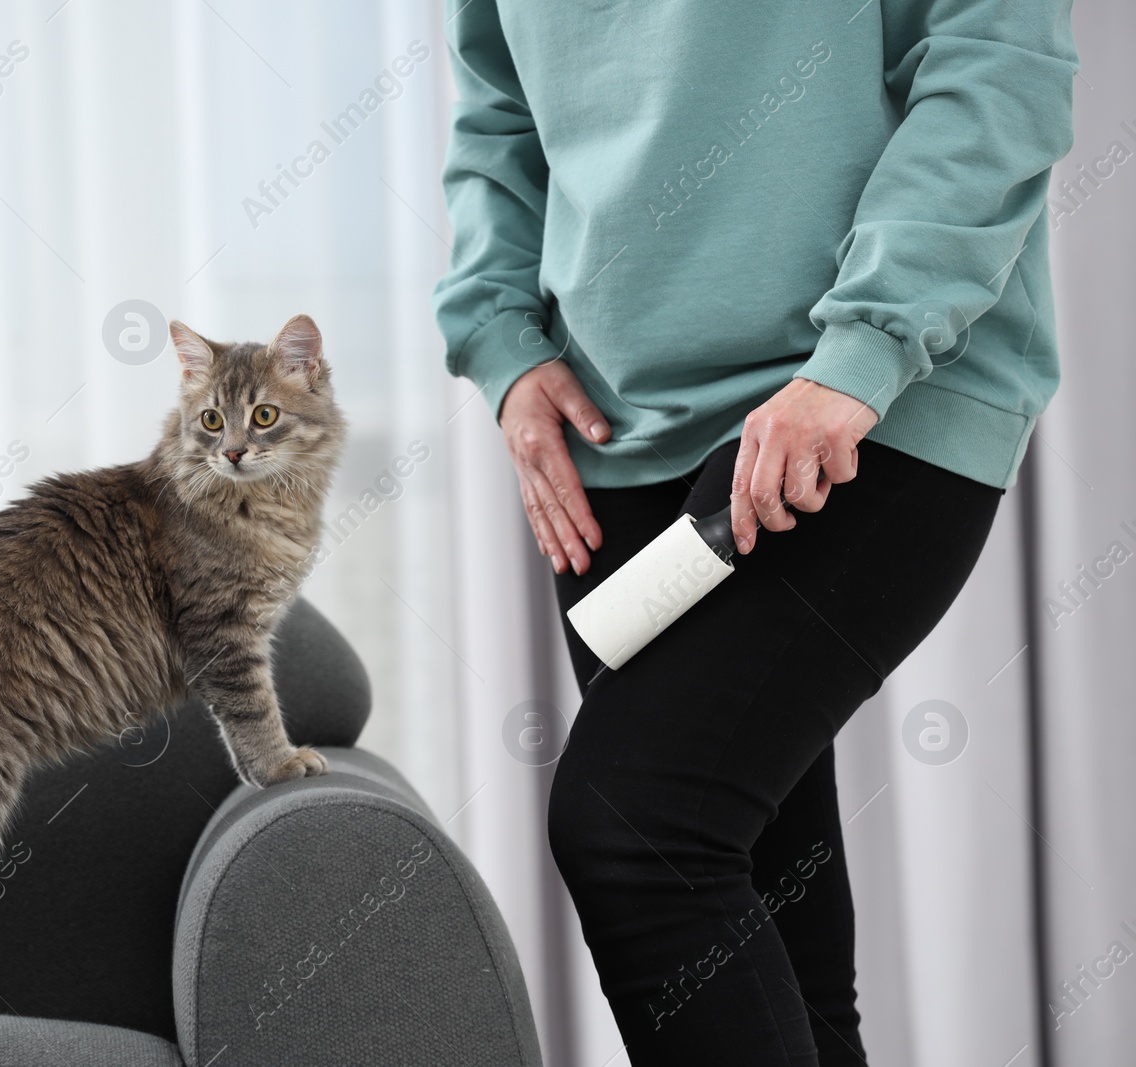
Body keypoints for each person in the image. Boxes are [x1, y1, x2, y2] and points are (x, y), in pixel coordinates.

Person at [432, 1, 1077, 1063]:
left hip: (867, 400)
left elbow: (994, 62)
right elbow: (499, 111)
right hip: (611, 438)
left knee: (639, 832)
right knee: (780, 939)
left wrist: (861, 352)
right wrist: (500, 341)